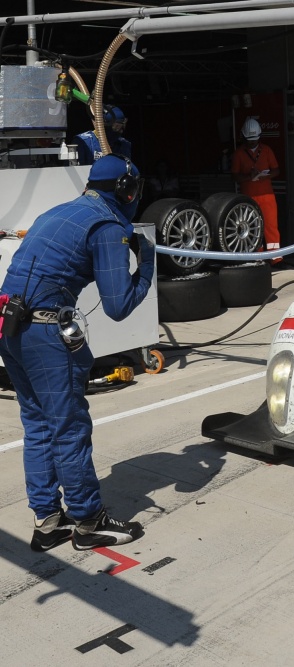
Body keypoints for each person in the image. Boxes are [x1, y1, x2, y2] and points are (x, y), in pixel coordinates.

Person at [0, 154, 154, 550]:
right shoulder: (106, 226)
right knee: (68, 428)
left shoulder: (58, 211)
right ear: (127, 190)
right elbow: (118, 305)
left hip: (9, 326)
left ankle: (48, 521)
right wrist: (147, 265)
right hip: (45, 333)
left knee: (38, 426)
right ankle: (88, 523)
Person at [232, 117, 281, 260]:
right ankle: (257, 258)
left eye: (255, 139)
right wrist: (249, 176)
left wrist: (266, 176)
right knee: (251, 227)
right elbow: (234, 176)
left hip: (267, 195)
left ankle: (276, 258)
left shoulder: (266, 150)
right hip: (248, 196)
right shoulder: (239, 153)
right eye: (249, 139)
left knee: (271, 226)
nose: (252, 142)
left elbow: (276, 170)